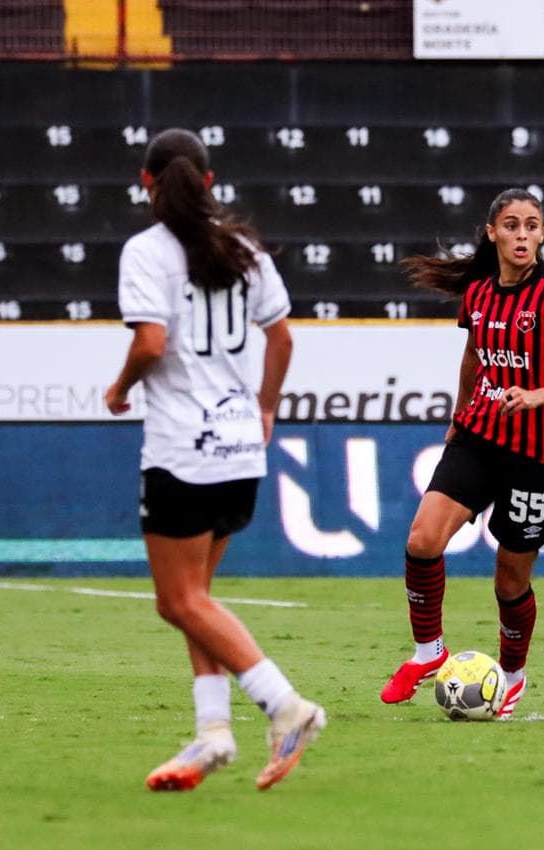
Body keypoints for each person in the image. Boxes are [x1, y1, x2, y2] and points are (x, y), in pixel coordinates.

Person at [104, 127, 323, 791]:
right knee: (199, 600)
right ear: (208, 180)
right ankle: (212, 735)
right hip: (239, 451)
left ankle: (286, 706)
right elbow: (281, 339)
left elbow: (149, 342)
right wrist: (265, 407)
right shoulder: (244, 248)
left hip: (181, 452)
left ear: (146, 182)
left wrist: (119, 388)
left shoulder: (147, 252)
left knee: (177, 602)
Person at [379, 188, 544, 718]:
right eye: (511, 225)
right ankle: (427, 653)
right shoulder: (479, 294)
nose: (522, 234)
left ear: (543, 234)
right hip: (480, 436)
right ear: (492, 233)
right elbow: (471, 357)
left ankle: (511, 676)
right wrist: (459, 418)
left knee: (509, 580)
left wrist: (538, 395)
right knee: (422, 539)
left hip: (539, 457)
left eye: (532, 225)